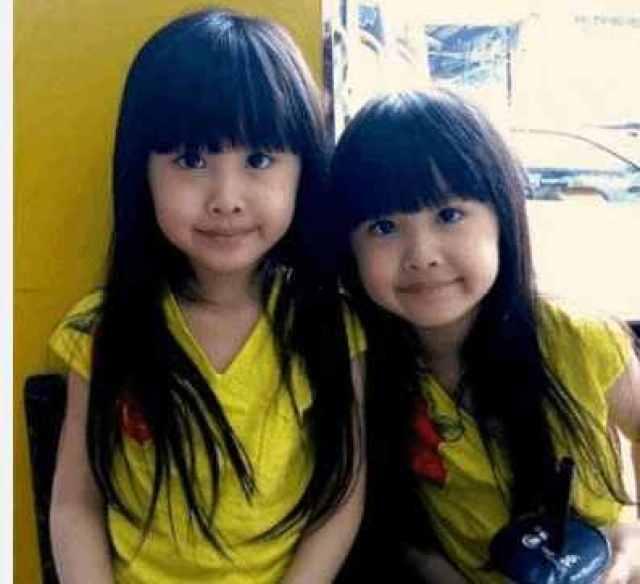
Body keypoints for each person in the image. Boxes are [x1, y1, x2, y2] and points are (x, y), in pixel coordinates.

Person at [48, 9, 365, 583]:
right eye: (192, 160)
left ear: (303, 170)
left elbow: (342, 496)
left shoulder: (330, 325)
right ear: (142, 171)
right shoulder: (102, 329)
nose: (226, 198)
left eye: (259, 160)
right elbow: (75, 505)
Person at [327, 88, 640, 582]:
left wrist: (634, 536)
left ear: (502, 217)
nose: (421, 255)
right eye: (384, 227)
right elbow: (404, 536)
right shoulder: (362, 366)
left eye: (448, 215)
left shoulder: (579, 340)